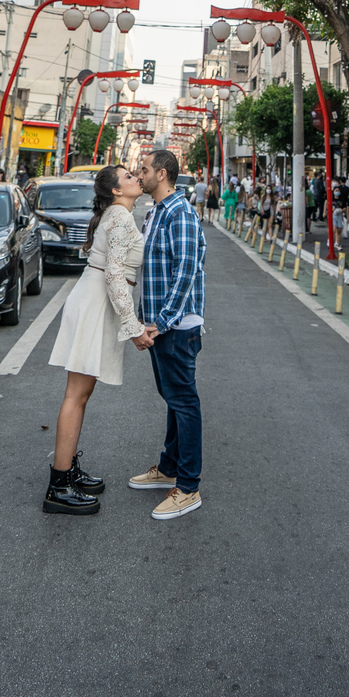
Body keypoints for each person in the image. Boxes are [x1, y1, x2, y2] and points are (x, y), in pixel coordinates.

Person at [45, 164, 154, 516]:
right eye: (128, 177)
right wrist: (133, 326)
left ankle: (68, 470)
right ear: (116, 191)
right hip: (96, 305)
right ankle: (58, 485)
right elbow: (115, 275)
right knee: (76, 395)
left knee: (81, 394)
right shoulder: (120, 218)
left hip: (93, 302)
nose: (137, 178)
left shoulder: (116, 213)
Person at [129, 148, 207, 522]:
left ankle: (188, 487)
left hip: (177, 326)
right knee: (173, 398)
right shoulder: (155, 212)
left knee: (183, 401)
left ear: (161, 174)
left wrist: (160, 322)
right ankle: (169, 466)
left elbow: (186, 272)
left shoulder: (182, 214)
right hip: (159, 323)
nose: (138, 174)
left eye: (143, 170)